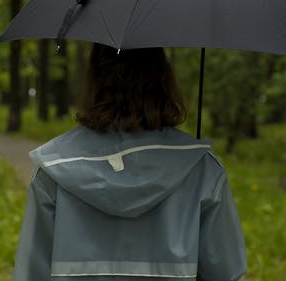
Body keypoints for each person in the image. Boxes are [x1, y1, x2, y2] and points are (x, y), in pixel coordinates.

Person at [12, 44, 247, 281]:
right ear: (163, 79)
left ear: (94, 80)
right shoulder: (202, 169)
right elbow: (226, 272)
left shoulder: (53, 167)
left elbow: (30, 274)